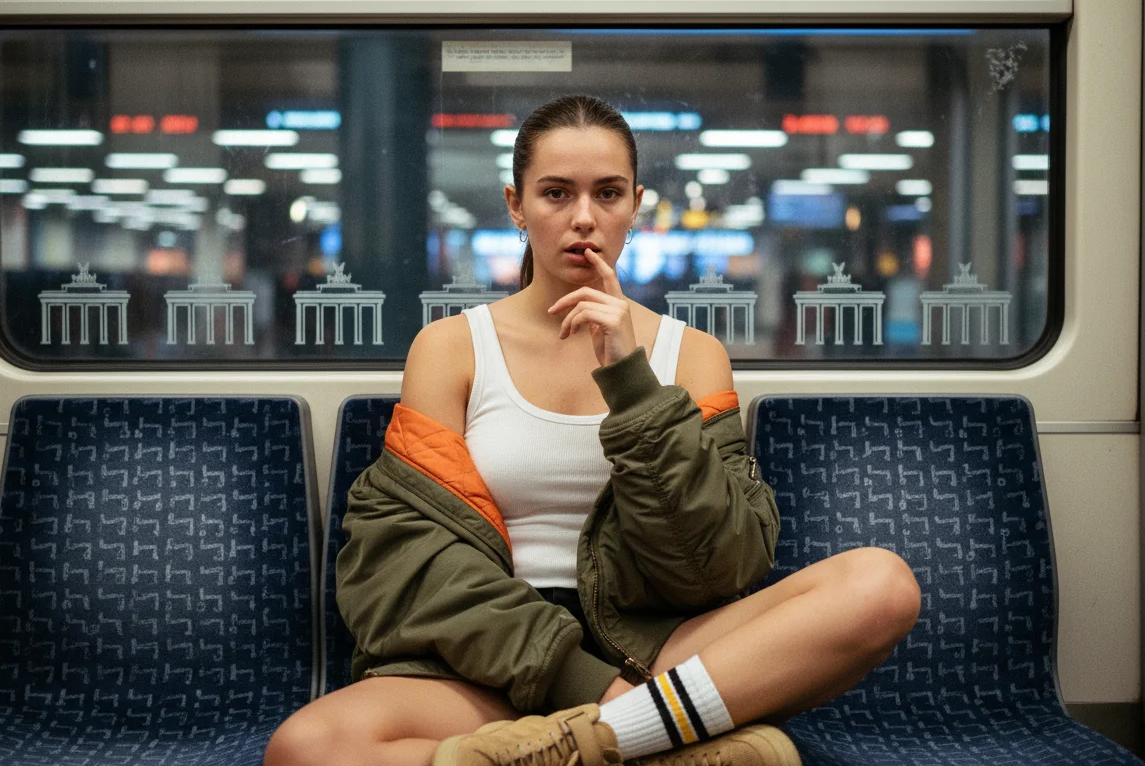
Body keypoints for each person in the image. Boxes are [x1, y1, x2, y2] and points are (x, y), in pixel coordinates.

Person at [264, 95, 921, 766]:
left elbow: (715, 567)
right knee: (303, 748)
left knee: (879, 585)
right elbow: (415, 563)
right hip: (494, 657)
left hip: (657, 645)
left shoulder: (690, 356)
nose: (584, 218)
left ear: (635, 205)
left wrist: (632, 382)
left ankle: (578, 747)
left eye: (607, 194)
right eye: (556, 193)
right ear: (516, 205)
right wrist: (591, 688)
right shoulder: (452, 348)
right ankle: (653, 742)